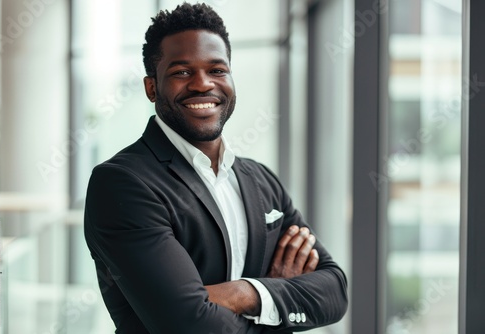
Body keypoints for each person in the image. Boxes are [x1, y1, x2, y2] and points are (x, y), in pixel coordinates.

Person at [84, 3, 347, 333]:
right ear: (152, 88)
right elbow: (188, 324)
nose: (202, 84)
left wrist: (243, 292)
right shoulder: (122, 183)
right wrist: (276, 299)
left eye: (217, 70)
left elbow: (335, 291)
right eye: (182, 72)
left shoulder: (261, 180)